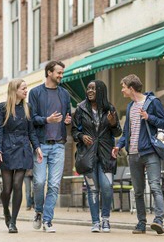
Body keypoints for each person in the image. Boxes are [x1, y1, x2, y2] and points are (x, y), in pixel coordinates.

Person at [112, 74, 164, 235]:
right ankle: (141, 223)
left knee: (155, 186)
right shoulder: (130, 107)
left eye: (123, 87)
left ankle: (158, 221)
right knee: (138, 191)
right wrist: (119, 146)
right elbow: (127, 131)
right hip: (133, 154)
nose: (122, 90)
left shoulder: (153, 102)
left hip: (150, 152)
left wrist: (149, 117)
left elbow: (163, 123)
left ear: (131, 88)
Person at [0, 78, 43, 233]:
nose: (26, 91)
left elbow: (31, 132)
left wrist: (37, 147)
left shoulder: (27, 107)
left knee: (17, 185)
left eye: (26, 88)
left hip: (22, 150)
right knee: (7, 189)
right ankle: (6, 212)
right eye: (23, 88)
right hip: (7, 149)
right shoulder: (2, 108)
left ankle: (13, 221)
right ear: (14, 90)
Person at [72, 80, 122, 233]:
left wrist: (113, 124)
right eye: (88, 88)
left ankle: (105, 219)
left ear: (101, 90)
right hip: (88, 155)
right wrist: (81, 136)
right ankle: (95, 222)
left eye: (93, 88)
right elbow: (73, 132)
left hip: (106, 154)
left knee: (107, 187)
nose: (90, 90)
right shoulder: (80, 108)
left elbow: (118, 133)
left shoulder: (110, 108)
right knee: (93, 189)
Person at [29, 60, 72, 233]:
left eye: (62, 73)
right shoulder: (35, 93)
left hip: (59, 145)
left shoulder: (65, 94)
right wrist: (47, 120)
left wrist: (68, 120)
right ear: (49, 73)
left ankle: (47, 220)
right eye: (58, 73)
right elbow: (32, 119)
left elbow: (67, 115)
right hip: (41, 145)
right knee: (39, 182)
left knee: (54, 185)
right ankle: (38, 210)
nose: (61, 75)